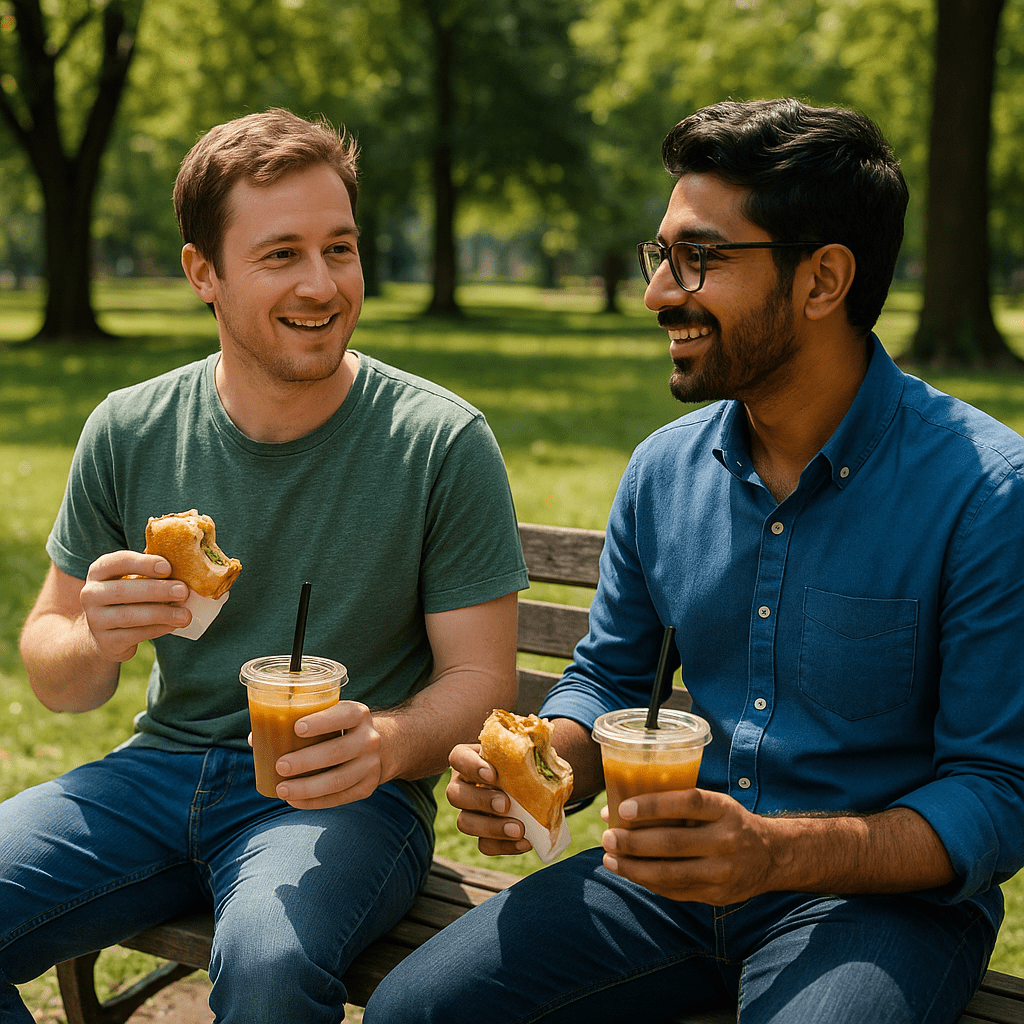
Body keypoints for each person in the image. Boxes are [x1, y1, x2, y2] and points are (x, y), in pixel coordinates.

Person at [363, 98, 1024, 1024]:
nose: (659, 292)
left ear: (824, 278)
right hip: (659, 877)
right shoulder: (663, 472)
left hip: (879, 907)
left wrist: (775, 853)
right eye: (661, 255)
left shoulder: (984, 491)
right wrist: (542, 769)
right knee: (413, 1014)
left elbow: (996, 795)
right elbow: (607, 679)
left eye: (700, 258)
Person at [0, 108, 528, 1024]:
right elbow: (56, 675)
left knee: (271, 969)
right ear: (203, 272)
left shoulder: (440, 441)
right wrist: (94, 634)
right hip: (157, 770)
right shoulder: (128, 428)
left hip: (343, 800)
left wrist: (386, 745)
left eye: (341, 248)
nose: (322, 284)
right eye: (281, 254)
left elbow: (481, 677)